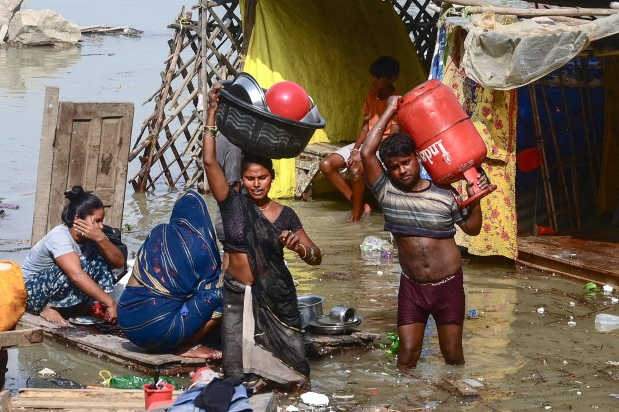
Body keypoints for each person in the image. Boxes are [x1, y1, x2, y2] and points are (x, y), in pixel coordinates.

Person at [204, 83, 324, 388]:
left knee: (296, 375)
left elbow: (315, 257)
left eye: (263, 178)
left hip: (276, 298)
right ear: (241, 180)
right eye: (250, 178)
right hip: (235, 293)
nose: (257, 184)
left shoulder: (285, 215)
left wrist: (299, 248)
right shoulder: (232, 204)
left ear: (272, 178)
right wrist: (212, 112)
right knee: (235, 373)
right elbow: (209, 162)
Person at [359, 95, 483, 372]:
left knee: (452, 355)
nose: (402, 171)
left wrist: (476, 199)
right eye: (394, 167)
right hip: (412, 287)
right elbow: (367, 153)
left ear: (417, 159)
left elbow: (472, 230)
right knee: (407, 357)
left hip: (448, 286)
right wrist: (390, 109)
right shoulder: (385, 191)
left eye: (406, 162)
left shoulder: (444, 193)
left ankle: (456, 406)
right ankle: (408, 409)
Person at [117, 190, 223, 360]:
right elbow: (210, 284)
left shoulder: (159, 233)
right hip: (160, 329)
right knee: (222, 294)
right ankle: (187, 345)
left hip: (125, 319)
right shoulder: (200, 248)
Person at [21, 186, 125, 325]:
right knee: (75, 267)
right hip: (32, 291)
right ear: (78, 219)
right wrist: (110, 302)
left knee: (100, 261)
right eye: (97, 221)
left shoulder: (92, 236)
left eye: (102, 221)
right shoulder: (59, 236)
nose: (101, 226)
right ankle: (48, 308)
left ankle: (80, 306)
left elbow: (119, 263)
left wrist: (101, 239)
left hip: (54, 286)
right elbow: (76, 275)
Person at [318, 55, 401, 222]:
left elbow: (393, 136)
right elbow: (365, 127)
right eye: (373, 76)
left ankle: (355, 218)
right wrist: (356, 149)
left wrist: (364, 152)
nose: (373, 80)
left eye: (378, 77)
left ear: (392, 79)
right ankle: (360, 203)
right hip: (365, 145)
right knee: (326, 165)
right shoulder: (371, 95)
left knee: (356, 171)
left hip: (382, 147)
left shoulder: (398, 102)